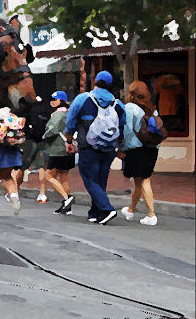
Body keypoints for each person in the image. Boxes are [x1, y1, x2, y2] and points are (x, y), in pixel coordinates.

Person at [65, 71, 125, 225]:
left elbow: (70, 120)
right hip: (109, 148)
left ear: (95, 81)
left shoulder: (83, 98)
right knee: (100, 180)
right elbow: (122, 126)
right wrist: (120, 147)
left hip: (88, 147)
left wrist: (69, 140)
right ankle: (95, 213)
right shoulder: (118, 104)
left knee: (90, 180)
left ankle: (107, 209)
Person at [119, 81, 162, 226]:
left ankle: (151, 215)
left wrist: (122, 149)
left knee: (144, 180)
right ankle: (131, 210)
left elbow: (128, 131)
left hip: (137, 149)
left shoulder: (130, 107)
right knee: (138, 181)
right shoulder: (152, 108)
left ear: (131, 93)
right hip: (151, 148)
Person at [12, 96, 54, 203]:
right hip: (41, 141)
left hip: (30, 142)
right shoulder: (43, 109)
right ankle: (42, 193)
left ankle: (16, 190)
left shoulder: (24, 113)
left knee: (23, 167)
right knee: (41, 167)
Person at [42, 91, 75, 215]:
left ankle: (67, 198)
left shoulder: (58, 114)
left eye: (54, 99)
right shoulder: (69, 113)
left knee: (49, 175)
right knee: (64, 176)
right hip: (68, 148)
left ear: (60, 100)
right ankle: (66, 207)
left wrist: (44, 136)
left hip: (57, 149)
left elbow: (52, 129)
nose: (52, 101)